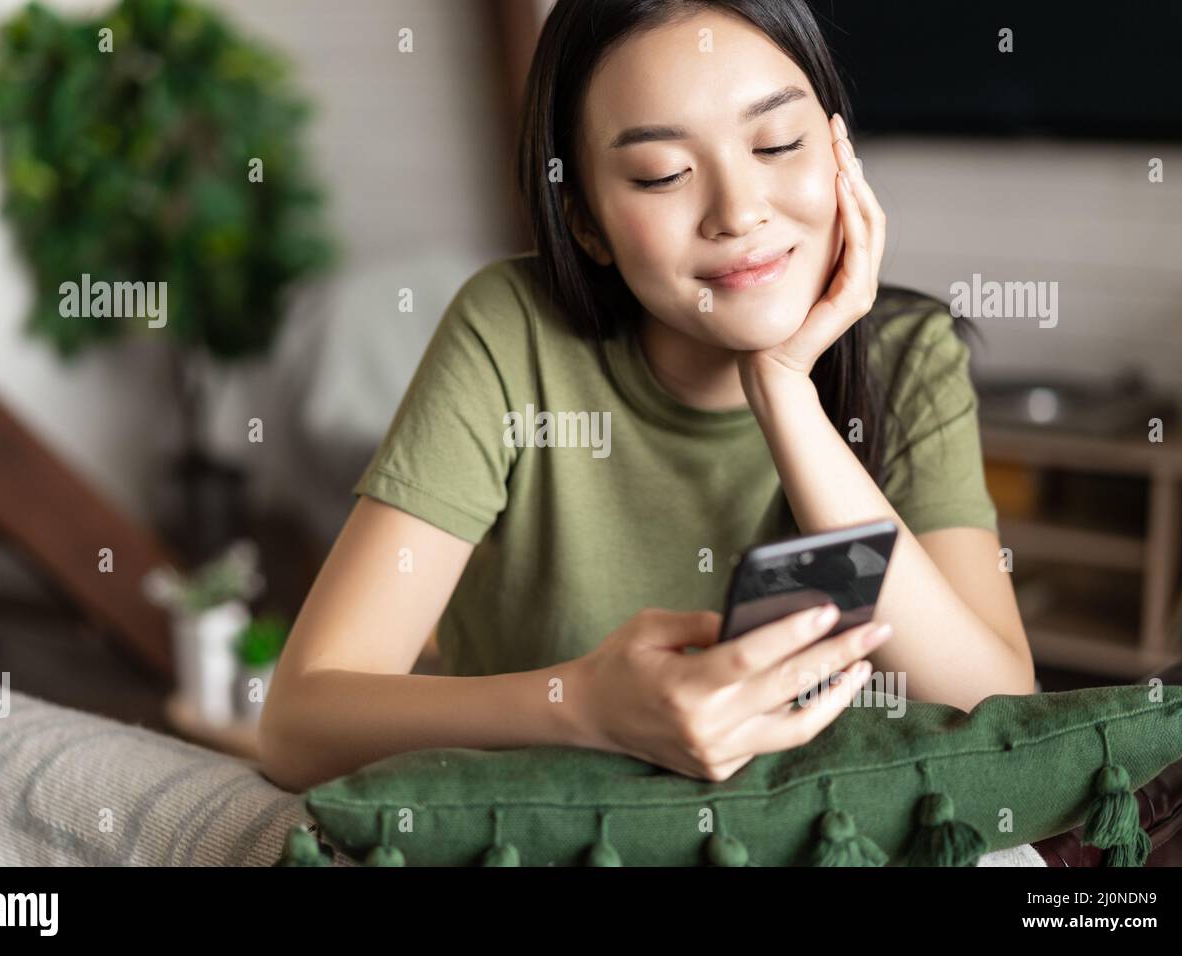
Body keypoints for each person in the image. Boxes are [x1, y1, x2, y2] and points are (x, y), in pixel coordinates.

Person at [260, 0, 1035, 793]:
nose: (739, 212)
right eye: (662, 174)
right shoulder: (510, 336)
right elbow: (297, 727)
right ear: (586, 222)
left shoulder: (908, 353)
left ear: (841, 149)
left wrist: (783, 392)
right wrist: (586, 707)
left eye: (778, 142)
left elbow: (1003, 718)